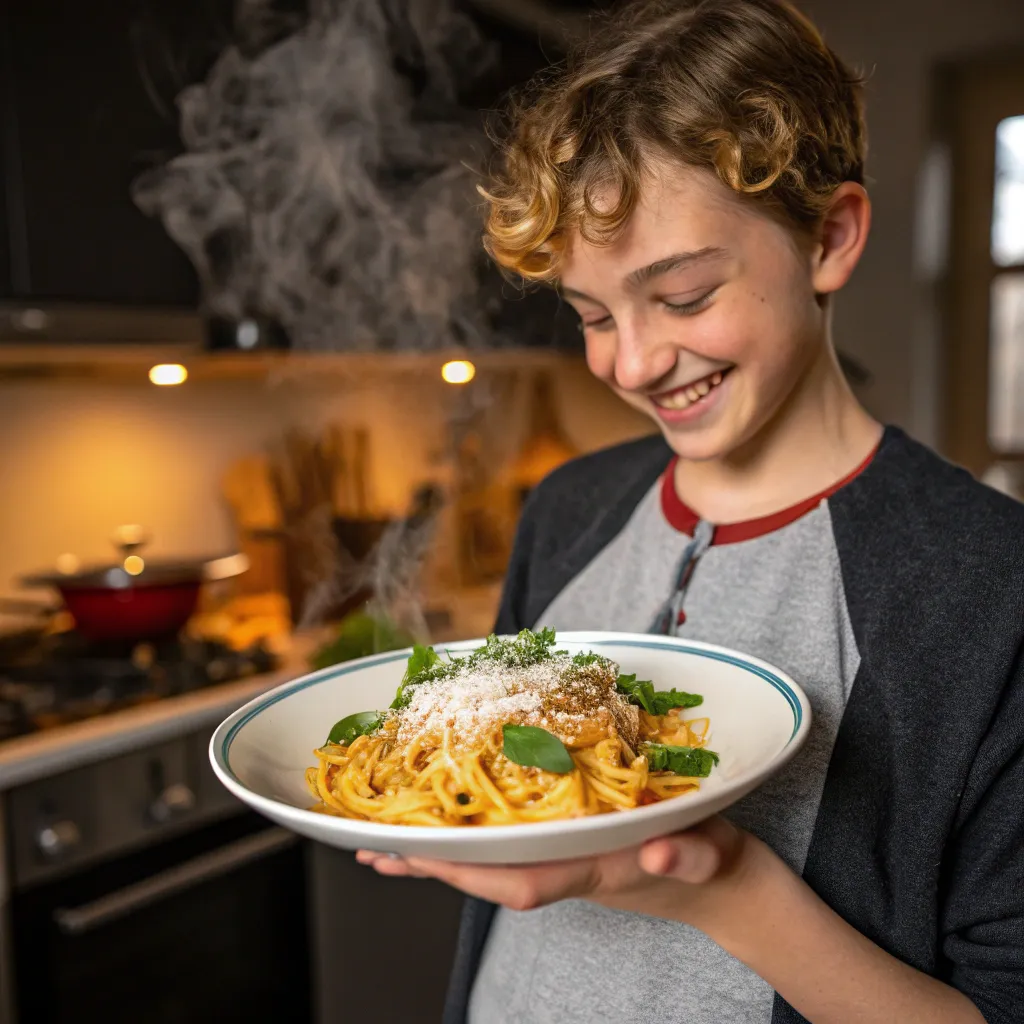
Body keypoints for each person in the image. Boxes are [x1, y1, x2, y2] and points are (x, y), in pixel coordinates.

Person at [358, 1, 1024, 1021]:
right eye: (590, 314)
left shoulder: (989, 589)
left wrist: (722, 887)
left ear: (830, 238)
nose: (629, 363)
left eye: (681, 296)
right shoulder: (566, 511)